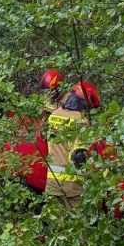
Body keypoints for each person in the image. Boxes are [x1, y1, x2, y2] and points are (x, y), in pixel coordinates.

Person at [44, 80, 101, 209]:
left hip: (52, 182)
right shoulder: (80, 121)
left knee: (59, 225)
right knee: (78, 225)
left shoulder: (54, 115)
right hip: (72, 187)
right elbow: (78, 156)